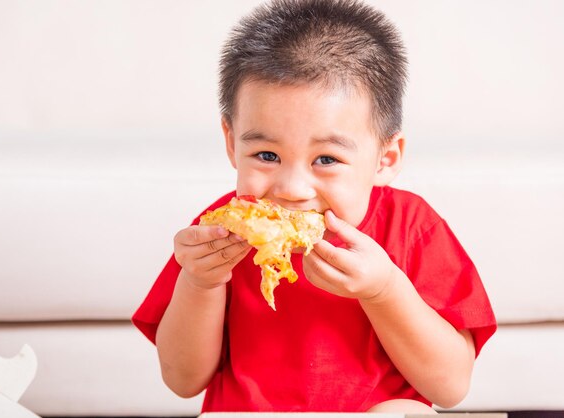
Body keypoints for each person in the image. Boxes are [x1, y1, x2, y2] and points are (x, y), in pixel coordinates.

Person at [133, 0, 497, 413]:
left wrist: (384, 291)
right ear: (233, 143)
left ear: (385, 158)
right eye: (267, 156)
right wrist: (201, 282)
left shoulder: (413, 226)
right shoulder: (219, 231)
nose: (291, 189)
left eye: (326, 160)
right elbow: (183, 381)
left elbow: (450, 388)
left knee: (405, 413)